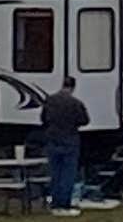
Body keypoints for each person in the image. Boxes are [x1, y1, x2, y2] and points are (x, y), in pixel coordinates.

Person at [38, 81, 89, 214]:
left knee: (55, 172)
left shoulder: (50, 101)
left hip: (53, 139)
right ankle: (64, 203)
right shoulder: (75, 103)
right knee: (68, 173)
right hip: (70, 140)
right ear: (73, 87)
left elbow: (43, 119)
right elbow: (85, 120)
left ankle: (54, 202)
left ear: (62, 85)